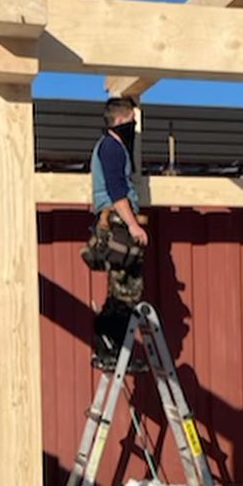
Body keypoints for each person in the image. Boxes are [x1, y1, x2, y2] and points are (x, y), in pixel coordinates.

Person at [82, 96, 150, 370]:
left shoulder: (113, 146)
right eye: (132, 122)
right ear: (121, 121)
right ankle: (110, 349)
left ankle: (114, 351)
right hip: (118, 224)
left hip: (116, 220)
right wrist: (133, 225)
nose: (133, 127)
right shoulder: (111, 147)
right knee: (126, 291)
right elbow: (116, 190)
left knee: (121, 291)